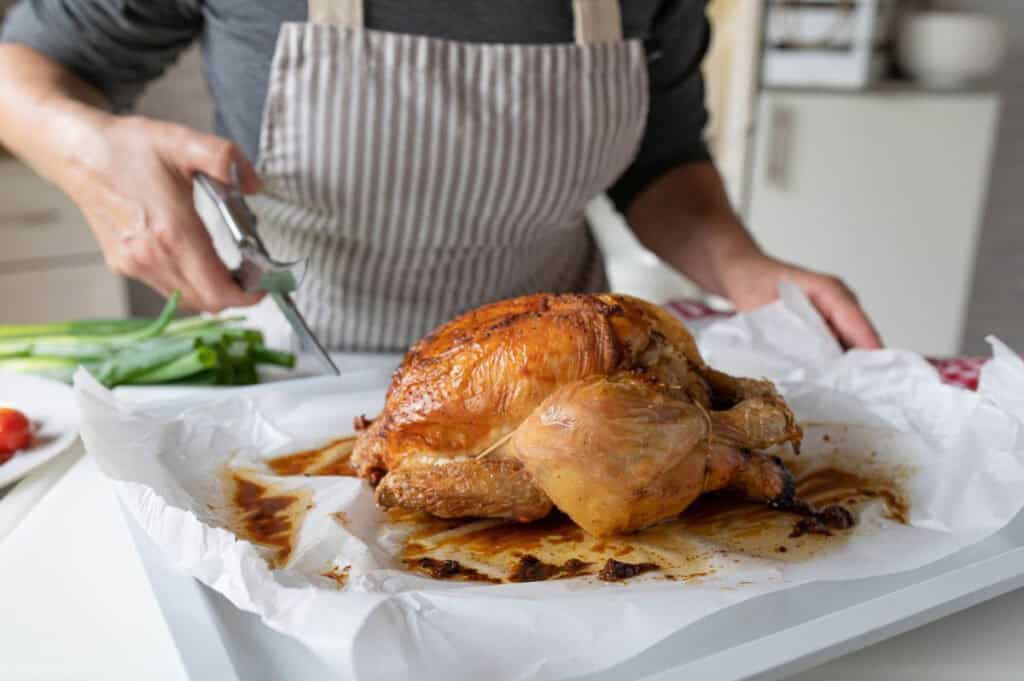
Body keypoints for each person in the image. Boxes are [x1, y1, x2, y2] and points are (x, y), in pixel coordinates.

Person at [0, 0, 881, 352]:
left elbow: (662, 161)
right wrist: (89, 154)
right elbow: (23, 75)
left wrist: (747, 272)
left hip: (564, 375)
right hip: (297, 369)